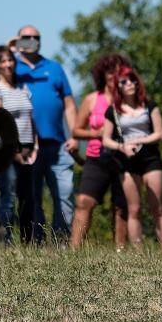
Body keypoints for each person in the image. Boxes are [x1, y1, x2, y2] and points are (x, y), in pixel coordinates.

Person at [13, 25, 76, 242]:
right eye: (26, 37)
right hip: (26, 146)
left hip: (57, 144)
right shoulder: (11, 66)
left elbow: (68, 103)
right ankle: (36, 242)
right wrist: (7, 48)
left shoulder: (54, 68)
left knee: (65, 196)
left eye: (35, 37)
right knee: (32, 197)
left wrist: (74, 135)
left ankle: (62, 242)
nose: (31, 40)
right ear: (19, 39)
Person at [101, 66, 162, 249]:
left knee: (157, 207)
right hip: (127, 159)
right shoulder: (113, 111)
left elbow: (159, 134)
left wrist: (140, 140)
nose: (129, 84)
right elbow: (106, 139)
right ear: (118, 86)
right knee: (134, 208)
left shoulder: (149, 105)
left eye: (132, 80)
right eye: (124, 81)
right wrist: (122, 147)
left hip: (150, 157)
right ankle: (138, 252)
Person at [70, 53, 131, 249]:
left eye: (118, 71)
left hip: (124, 158)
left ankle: (120, 250)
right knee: (84, 201)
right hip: (96, 157)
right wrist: (98, 133)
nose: (114, 75)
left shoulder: (130, 98)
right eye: (110, 72)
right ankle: (75, 249)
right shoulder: (91, 99)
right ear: (102, 74)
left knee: (122, 205)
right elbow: (76, 131)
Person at [0, 45, 38, 245]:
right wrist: (13, 151)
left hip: (29, 149)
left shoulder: (22, 88)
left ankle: (29, 243)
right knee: (8, 197)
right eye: (2, 61)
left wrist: (35, 146)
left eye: (10, 59)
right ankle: (6, 242)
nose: (8, 64)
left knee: (28, 197)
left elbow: (30, 119)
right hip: (7, 150)